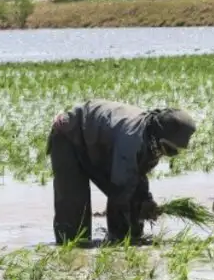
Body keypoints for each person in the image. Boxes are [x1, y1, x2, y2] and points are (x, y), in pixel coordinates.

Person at [46, 100, 197, 244]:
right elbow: (120, 190)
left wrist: (145, 200)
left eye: (175, 152)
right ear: (158, 137)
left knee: (134, 203)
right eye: (169, 150)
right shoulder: (131, 139)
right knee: (74, 218)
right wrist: (118, 239)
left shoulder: (150, 139)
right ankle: (71, 254)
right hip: (69, 135)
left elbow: (137, 176)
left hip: (96, 142)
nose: (168, 154)